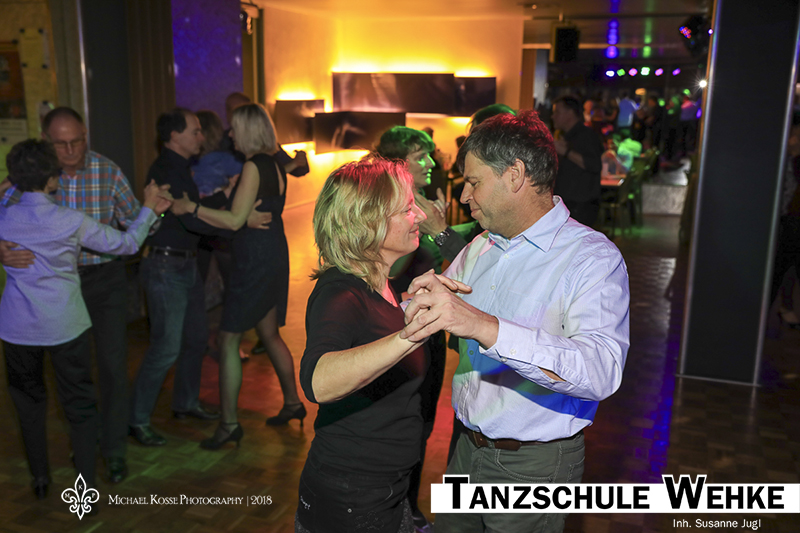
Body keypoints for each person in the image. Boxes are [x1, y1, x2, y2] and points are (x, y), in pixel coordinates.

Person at [401, 110, 630, 533]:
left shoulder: (591, 258)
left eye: (474, 182)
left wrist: (484, 326)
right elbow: (437, 307)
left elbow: (600, 371)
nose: (464, 196)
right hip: (465, 448)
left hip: (533, 464)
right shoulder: (482, 245)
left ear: (515, 175)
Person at [0, 139, 170, 502]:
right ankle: (86, 486)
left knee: (28, 404)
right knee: (78, 405)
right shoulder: (69, 220)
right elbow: (127, 244)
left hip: (17, 328)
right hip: (64, 324)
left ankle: (40, 479)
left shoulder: (6, 216)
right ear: (52, 178)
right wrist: (148, 210)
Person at [296, 158, 458, 533]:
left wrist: (408, 307)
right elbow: (318, 381)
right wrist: (409, 335)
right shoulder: (340, 293)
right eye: (407, 209)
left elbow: (372, 334)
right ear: (368, 223)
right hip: (351, 499)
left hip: (386, 491)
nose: (420, 216)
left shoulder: (380, 284)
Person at [129, 108, 269, 446]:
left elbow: (190, 208)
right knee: (166, 348)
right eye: (195, 131)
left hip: (184, 265)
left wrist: (225, 198)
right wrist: (236, 220)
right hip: (166, 267)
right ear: (174, 136)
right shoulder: (165, 171)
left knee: (194, 340)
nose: (202, 137)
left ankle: (185, 402)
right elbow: (188, 218)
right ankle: (136, 419)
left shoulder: (180, 168)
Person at [171, 103, 303, 448]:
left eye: (234, 128)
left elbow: (232, 221)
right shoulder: (274, 163)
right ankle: (293, 403)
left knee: (228, 339)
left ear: (247, 131)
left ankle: (229, 424)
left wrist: (191, 207)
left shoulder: (253, 166)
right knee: (269, 333)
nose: (229, 134)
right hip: (273, 252)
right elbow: (246, 215)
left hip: (255, 259)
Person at [552, 95, 604, 227]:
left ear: (570, 113)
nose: (553, 116)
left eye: (557, 112)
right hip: (569, 203)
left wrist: (566, 152)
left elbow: (594, 164)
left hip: (581, 206)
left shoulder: (586, 135)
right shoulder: (566, 136)